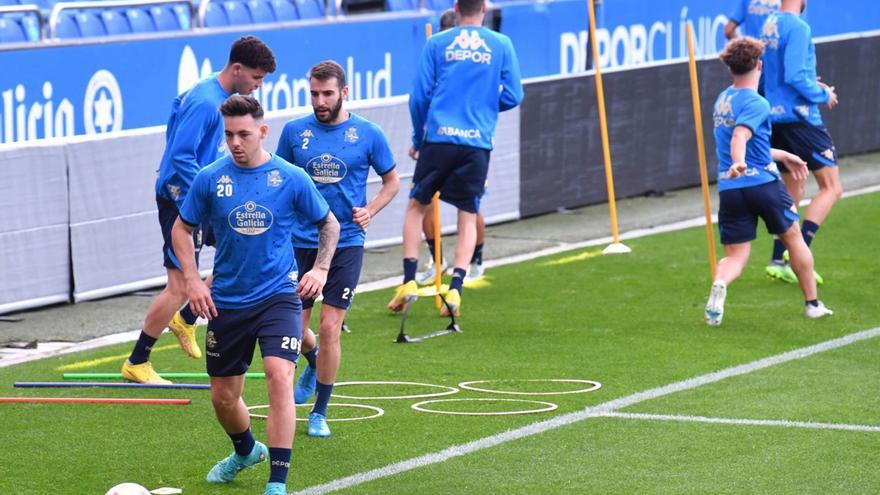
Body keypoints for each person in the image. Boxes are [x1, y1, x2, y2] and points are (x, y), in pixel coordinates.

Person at [173, 95, 339, 495]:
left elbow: (329, 224)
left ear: (263, 132)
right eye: (229, 134)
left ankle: (277, 483)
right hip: (227, 301)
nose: (235, 142)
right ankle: (246, 451)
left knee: (279, 375)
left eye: (243, 134)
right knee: (224, 399)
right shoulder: (210, 178)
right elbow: (182, 229)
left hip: (278, 296)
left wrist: (319, 268)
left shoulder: (291, 177)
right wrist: (194, 281)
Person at [122, 36, 276, 384]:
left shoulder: (211, 95)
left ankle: (187, 319)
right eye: (256, 77)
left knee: (242, 249)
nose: (258, 86)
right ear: (237, 69)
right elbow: (179, 157)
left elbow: (174, 132)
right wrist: (210, 188)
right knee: (178, 285)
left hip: (194, 193)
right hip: (181, 197)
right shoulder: (207, 103)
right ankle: (138, 362)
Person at [276, 60, 400, 437]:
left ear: (344, 92)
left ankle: (320, 412)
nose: (320, 101)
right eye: (314, 93)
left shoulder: (368, 133)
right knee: (292, 330)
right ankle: (312, 362)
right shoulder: (295, 132)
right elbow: (278, 181)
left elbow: (392, 180)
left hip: (346, 241)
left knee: (330, 326)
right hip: (300, 241)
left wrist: (371, 210)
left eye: (327, 93)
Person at [388, 0, 523, 316]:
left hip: (439, 138)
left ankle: (409, 280)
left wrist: (418, 139)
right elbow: (514, 94)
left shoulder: (438, 42)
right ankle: (457, 289)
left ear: (456, 7)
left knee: (416, 207)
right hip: (477, 141)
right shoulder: (501, 44)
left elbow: (419, 96)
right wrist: (486, 106)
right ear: (485, 8)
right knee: (467, 214)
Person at [705, 37, 832, 326]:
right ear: (759, 65)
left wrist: (785, 154)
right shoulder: (757, 102)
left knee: (736, 257)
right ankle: (812, 304)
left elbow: (754, 145)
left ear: (730, 69)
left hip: (731, 189)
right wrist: (740, 161)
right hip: (763, 184)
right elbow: (741, 136)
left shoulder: (723, 100)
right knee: (794, 238)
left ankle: (721, 284)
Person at [760, 0, 841, 285]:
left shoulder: (769, 24)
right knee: (831, 188)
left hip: (775, 117)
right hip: (801, 118)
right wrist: (822, 95)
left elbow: (771, 74)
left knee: (793, 189)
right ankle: (800, 253)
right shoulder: (798, 26)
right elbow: (795, 75)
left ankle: (777, 258)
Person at [417, 8, 487, 287]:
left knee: (470, 205)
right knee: (422, 203)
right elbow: (422, 96)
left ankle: (476, 259)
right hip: (435, 139)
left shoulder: (473, 65)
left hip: (470, 141)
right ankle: (437, 261)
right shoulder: (435, 56)